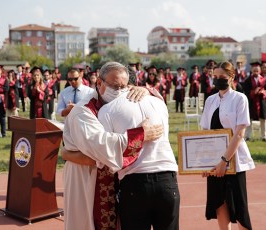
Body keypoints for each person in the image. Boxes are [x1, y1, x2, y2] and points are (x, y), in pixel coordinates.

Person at [62, 62, 174, 230]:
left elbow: (155, 102)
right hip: (88, 178)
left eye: (124, 86)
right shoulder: (83, 111)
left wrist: (145, 90)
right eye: (115, 86)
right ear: (99, 83)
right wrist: (141, 135)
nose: (121, 92)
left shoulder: (121, 101)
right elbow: (101, 146)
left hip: (118, 177)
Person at [200, 61, 254, 230]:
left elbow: (239, 133)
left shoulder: (240, 98)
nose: (216, 80)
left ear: (231, 77)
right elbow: (204, 132)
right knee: (219, 203)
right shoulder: (210, 100)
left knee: (239, 207)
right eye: (214, 77)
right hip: (213, 160)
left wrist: (225, 160)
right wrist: (202, 163)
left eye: (221, 77)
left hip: (234, 160)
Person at [243, 62, 266, 141]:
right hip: (251, 102)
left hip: (261, 101)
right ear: (251, 71)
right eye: (254, 71)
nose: (256, 72)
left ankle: (264, 136)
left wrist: (263, 92)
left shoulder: (263, 79)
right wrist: (254, 92)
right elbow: (245, 91)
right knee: (249, 119)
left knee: (263, 119)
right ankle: (248, 136)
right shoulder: (247, 80)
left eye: (257, 71)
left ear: (260, 70)